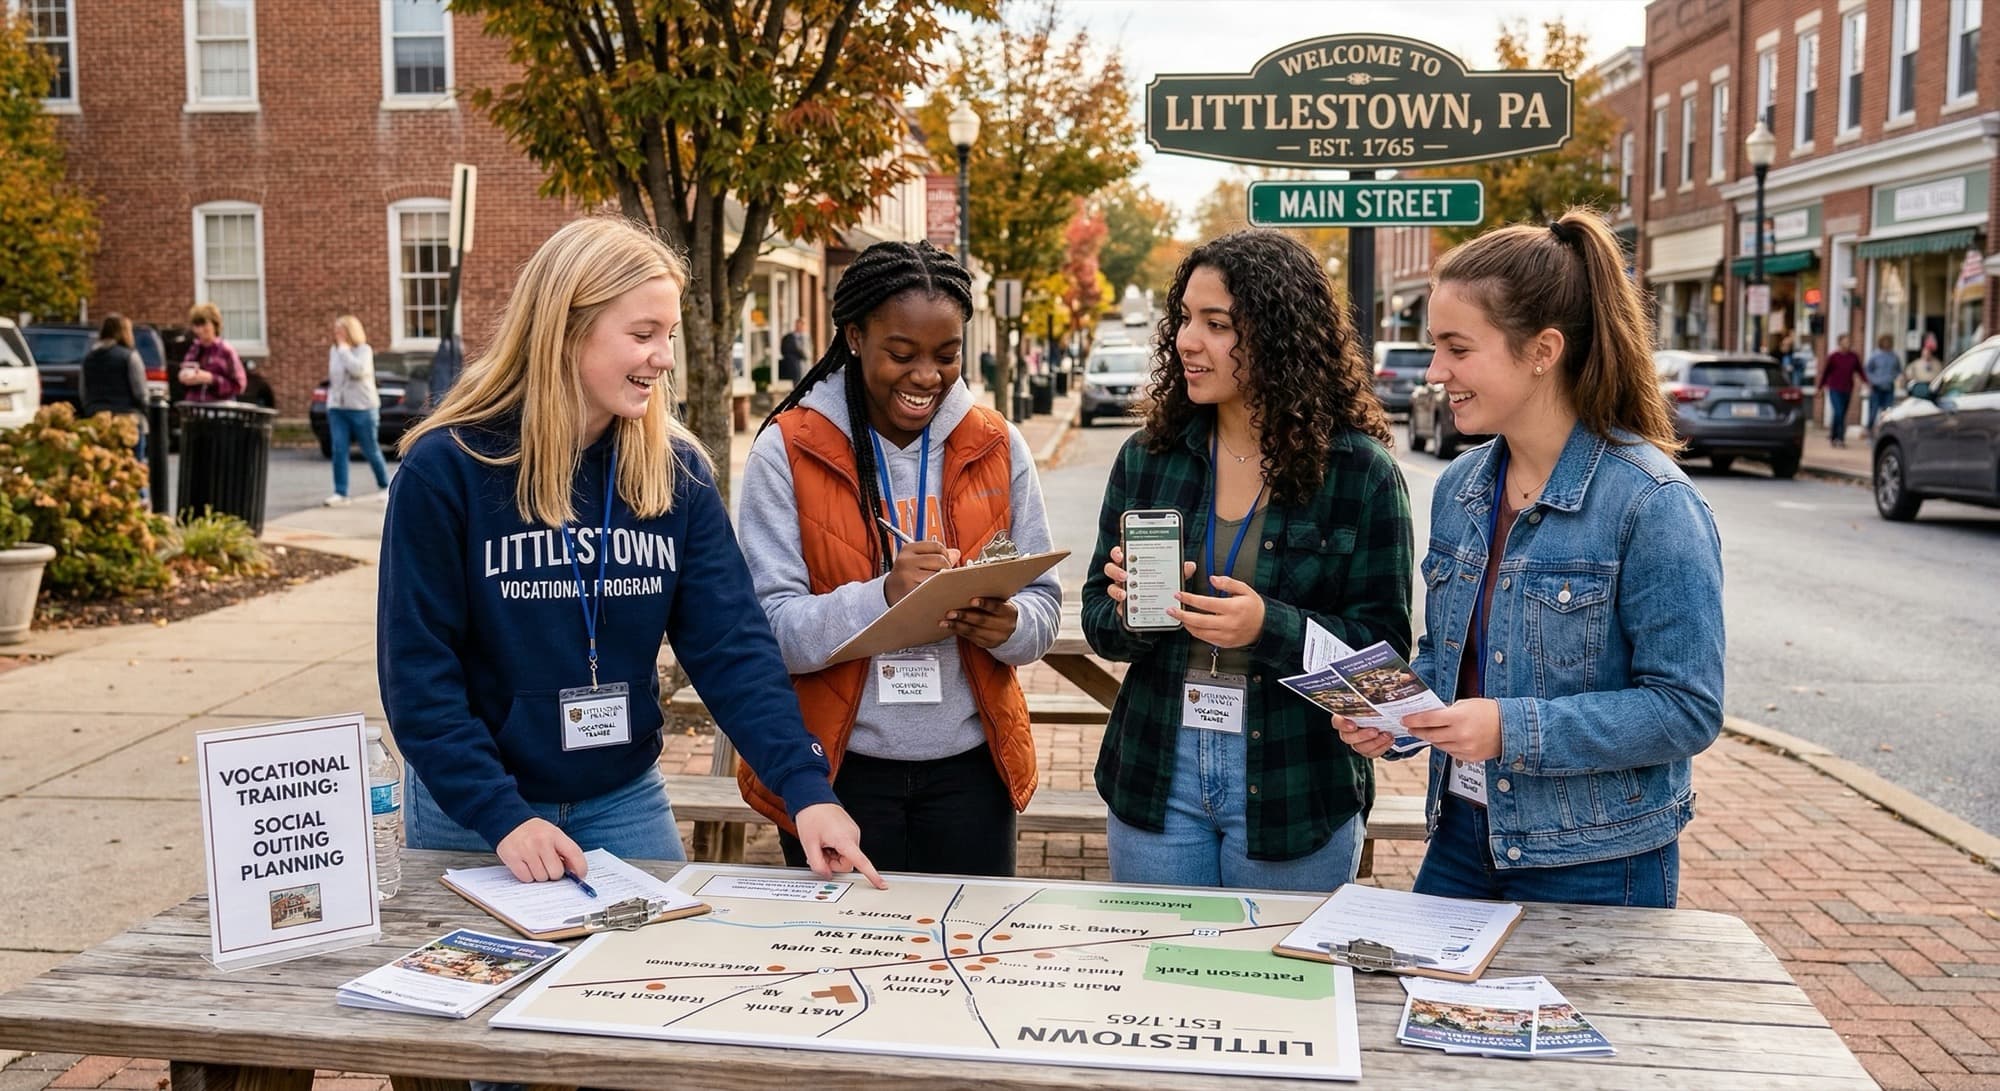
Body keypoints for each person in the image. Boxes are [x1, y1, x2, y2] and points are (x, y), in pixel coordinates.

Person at [378, 216, 882, 891]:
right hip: (475, 808)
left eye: (667, 336)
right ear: (563, 329)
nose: (665, 358)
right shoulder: (449, 469)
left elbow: (732, 646)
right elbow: (418, 673)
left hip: (621, 796)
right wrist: (502, 816)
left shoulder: (676, 473)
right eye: (642, 335)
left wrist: (805, 787)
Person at [1336, 210, 1724, 909]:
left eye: (1458, 348)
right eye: (1435, 347)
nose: (1434, 372)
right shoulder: (1460, 487)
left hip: (1597, 860)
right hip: (1460, 837)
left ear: (1543, 350)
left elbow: (1685, 709)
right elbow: (1448, 659)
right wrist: (1393, 717)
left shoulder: (1652, 502)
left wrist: (1510, 728)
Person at [1081, 228, 1414, 891]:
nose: (1186, 340)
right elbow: (1097, 618)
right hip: (1157, 768)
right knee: (1158, 978)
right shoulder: (1148, 457)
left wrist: (1269, 628)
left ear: (1278, 336)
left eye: (1216, 324)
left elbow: (1386, 664)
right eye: (1183, 319)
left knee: (1284, 987)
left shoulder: (1360, 474)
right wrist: (1130, 611)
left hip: (1293, 781)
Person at [738, 240, 1060, 877]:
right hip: (836, 772)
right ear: (855, 337)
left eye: (946, 356)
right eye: (902, 354)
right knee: (844, 966)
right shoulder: (787, 449)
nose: (927, 377)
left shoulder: (997, 442)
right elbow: (768, 633)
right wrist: (885, 595)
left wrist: (1013, 627)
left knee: (967, 956)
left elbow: (1043, 605)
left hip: (973, 771)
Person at [323, 315, 391, 506]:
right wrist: (332, 400)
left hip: (363, 408)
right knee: (338, 449)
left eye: (340, 330)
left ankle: (385, 486)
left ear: (350, 331)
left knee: (370, 449)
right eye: (335, 330)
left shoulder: (364, 350)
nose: (337, 334)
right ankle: (340, 492)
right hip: (338, 408)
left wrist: (344, 351)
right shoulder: (334, 351)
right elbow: (335, 378)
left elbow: (358, 371)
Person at [79, 314, 150, 459]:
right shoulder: (129, 357)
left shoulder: (88, 358)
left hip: (97, 420)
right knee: (133, 470)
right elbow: (141, 393)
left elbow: (83, 392)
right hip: (128, 420)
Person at [178, 303, 247, 403]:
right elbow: (185, 376)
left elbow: (239, 385)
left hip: (219, 409)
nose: (200, 330)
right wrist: (184, 377)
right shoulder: (194, 349)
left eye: (204, 324)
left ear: (215, 324)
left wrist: (211, 379)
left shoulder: (226, 351)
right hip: (195, 408)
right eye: (197, 325)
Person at [1817, 332, 1862, 447]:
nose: (1847, 343)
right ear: (1840, 343)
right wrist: (1820, 387)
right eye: (1845, 341)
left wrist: (1867, 382)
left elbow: (1860, 370)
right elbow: (1826, 372)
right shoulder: (1834, 357)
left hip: (1847, 388)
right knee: (1839, 412)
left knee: (1841, 414)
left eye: (1848, 341)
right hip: (1834, 388)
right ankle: (1840, 439)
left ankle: (1833, 435)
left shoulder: (1853, 357)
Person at [1861, 334, 1900, 438]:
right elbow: (1867, 370)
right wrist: (1872, 381)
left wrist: (1894, 377)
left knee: (1887, 412)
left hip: (1889, 387)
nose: (1886, 344)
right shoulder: (1875, 355)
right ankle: (1869, 431)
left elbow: (1898, 370)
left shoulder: (1894, 356)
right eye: (1885, 341)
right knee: (1873, 412)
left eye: (1889, 341)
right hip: (1876, 388)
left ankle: (1883, 433)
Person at [778, 317, 810, 383]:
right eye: (799, 324)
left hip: (805, 364)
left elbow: (809, 350)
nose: (801, 327)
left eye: (803, 325)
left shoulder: (806, 337)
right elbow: (784, 351)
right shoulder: (788, 338)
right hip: (794, 366)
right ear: (796, 325)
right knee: (797, 382)